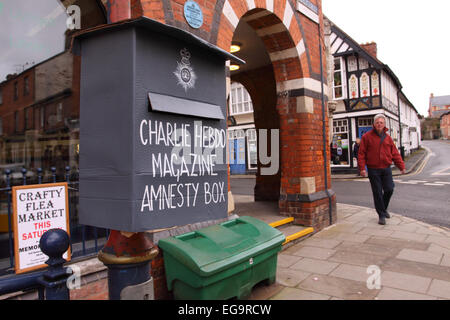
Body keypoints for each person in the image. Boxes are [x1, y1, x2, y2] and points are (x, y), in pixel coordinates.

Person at [358, 114, 406, 225]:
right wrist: (362, 168)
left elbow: (395, 154)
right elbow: (361, 154)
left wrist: (401, 166)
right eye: (377, 122)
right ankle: (381, 215)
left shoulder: (388, 138)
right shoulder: (367, 137)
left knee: (389, 189)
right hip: (373, 169)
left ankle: (383, 209)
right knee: (377, 193)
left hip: (386, 169)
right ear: (374, 124)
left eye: (381, 122)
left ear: (384, 124)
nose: (379, 124)